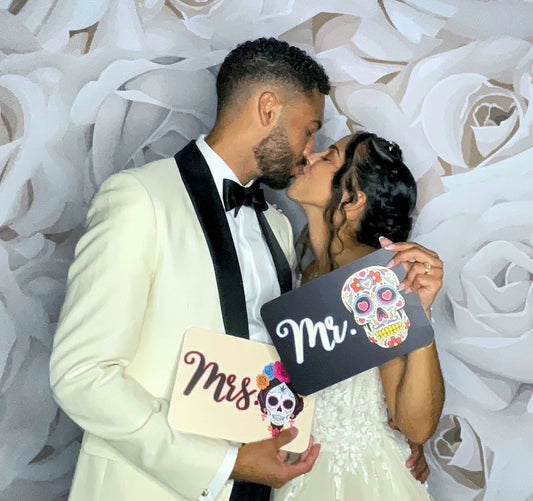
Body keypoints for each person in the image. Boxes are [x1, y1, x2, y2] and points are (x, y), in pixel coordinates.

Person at [49, 37, 328, 501]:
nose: (310, 147)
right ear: (268, 108)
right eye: (309, 128)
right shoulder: (139, 199)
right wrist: (223, 464)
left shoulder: (277, 226)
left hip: (259, 487)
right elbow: (81, 375)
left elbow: (284, 355)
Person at [275, 132, 445, 500]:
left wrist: (419, 316)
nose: (311, 156)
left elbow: (416, 427)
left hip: (365, 480)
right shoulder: (310, 273)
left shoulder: (372, 282)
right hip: (300, 473)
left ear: (354, 200)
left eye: (329, 157)